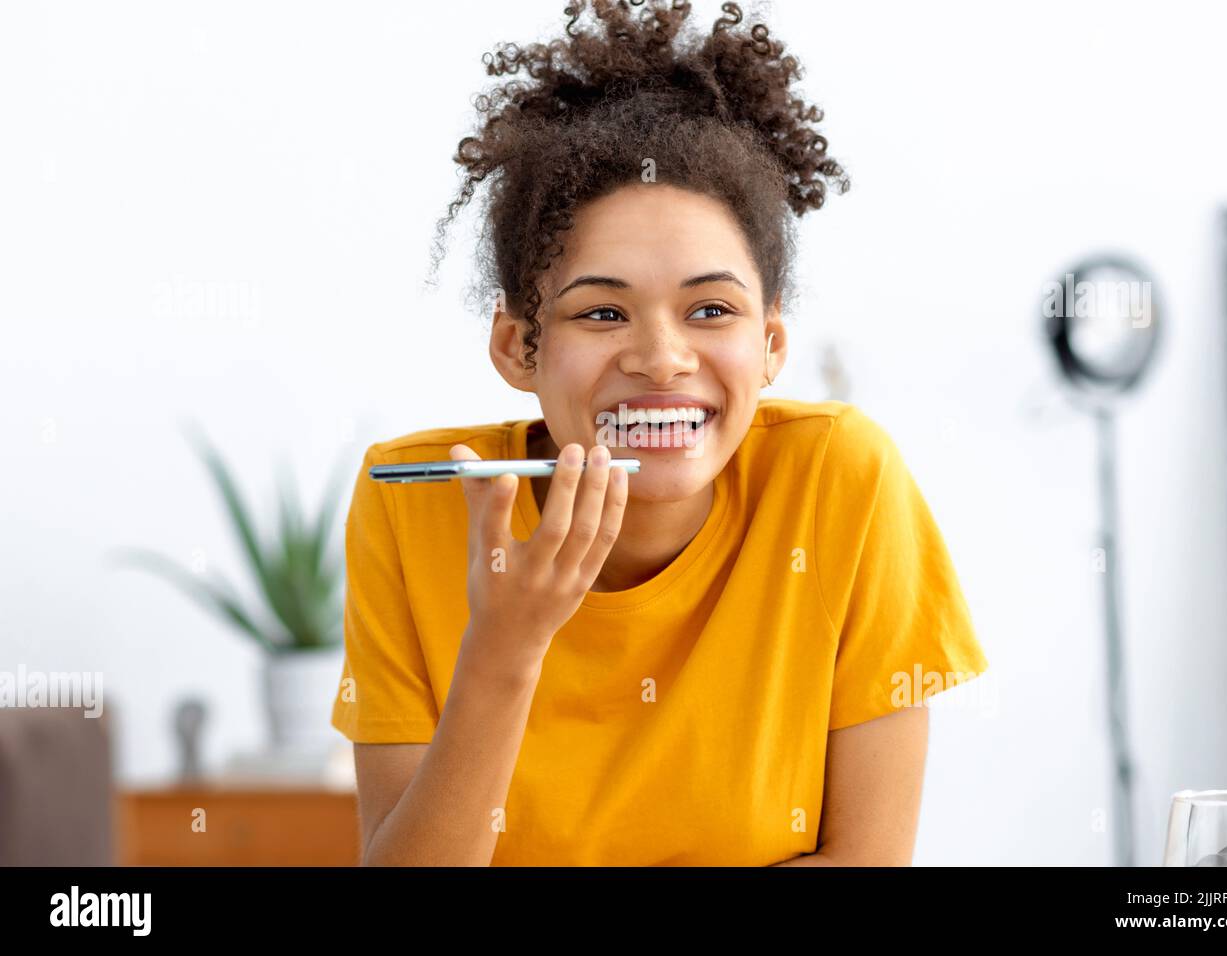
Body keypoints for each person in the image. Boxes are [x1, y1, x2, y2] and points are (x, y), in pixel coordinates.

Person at [331, 0, 989, 866]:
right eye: (602, 312)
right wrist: (503, 649)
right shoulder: (415, 506)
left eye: (710, 310)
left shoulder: (842, 480)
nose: (661, 359)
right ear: (518, 346)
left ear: (771, 344)